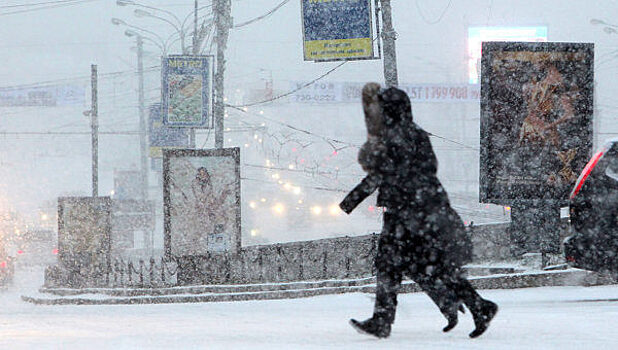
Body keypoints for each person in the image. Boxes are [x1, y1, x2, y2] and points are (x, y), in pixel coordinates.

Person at [340, 86, 498, 339]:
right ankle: (479, 306)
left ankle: (383, 320)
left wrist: (351, 200)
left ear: (388, 110)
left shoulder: (393, 137)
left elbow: (378, 172)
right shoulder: (416, 134)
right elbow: (426, 168)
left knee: (391, 265)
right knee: (431, 265)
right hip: (424, 209)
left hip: (408, 212)